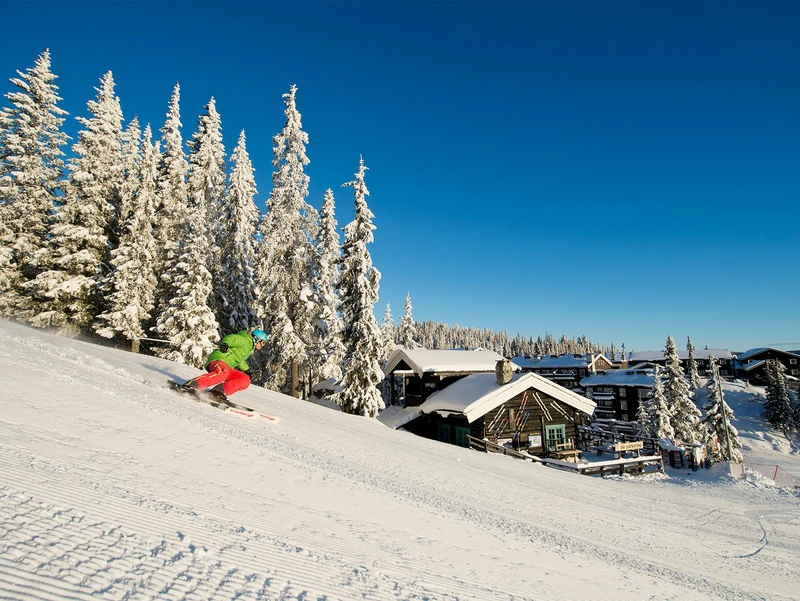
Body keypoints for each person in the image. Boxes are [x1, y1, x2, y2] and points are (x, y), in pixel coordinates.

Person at [183, 329, 268, 400]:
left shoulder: (248, 348)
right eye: (263, 343)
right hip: (220, 359)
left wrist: (246, 369)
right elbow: (231, 338)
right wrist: (225, 344)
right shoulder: (244, 339)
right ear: (256, 339)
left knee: (245, 379)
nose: (262, 345)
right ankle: (192, 384)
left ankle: (218, 391)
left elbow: (239, 359)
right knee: (223, 372)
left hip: (228, 366)